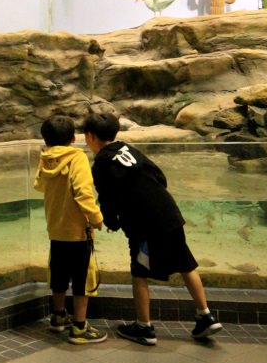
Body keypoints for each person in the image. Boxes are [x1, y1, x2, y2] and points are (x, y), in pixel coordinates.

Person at [84, 110, 223, 346]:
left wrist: (112, 222)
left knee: (140, 271)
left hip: (145, 224)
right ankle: (205, 315)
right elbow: (159, 175)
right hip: (169, 213)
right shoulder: (128, 149)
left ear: (90, 136)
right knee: (185, 264)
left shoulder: (102, 163)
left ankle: (144, 327)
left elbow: (107, 198)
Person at [34, 114, 106, 344]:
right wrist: (96, 218)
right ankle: (79, 327)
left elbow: (38, 185)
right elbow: (83, 192)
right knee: (82, 279)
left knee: (59, 274)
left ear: (45, 139)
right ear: (73, 138)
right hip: (78, 232)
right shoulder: (78, 158)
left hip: (56, 229)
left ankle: (57, 316)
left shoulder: (45, 158)